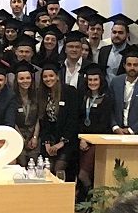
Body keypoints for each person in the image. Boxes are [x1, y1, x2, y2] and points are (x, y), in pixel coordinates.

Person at [77, 63, 113, 198]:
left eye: (95, 80)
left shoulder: (107, 99)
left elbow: (104, 124)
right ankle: (85, 201)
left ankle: (93, 199)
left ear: (101, 80)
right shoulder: (83, 97)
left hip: (98, 142)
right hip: (82, 141)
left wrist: (88, 139)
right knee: (81, 175)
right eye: (90, 80)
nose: (92, 83)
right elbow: (79, 119)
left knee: (84, 174)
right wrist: (82, 138)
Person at [37, 62, 79, 177]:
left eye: (51, 76)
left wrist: (61, 143)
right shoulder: (42, 94)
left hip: (67, 139)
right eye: (45, 77)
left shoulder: (69, 91)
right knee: (48, 168)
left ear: (57, 76)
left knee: (58, 168)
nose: (48, 79)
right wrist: (47, 143)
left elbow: (73, 119)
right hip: (50, 138)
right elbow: (43, 121)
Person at [12, 61, 41, 167]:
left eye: (28, 78)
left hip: (33, 136)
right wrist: (20, 137)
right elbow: (12, 120)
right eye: (21, 78)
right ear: (17, 80)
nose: (25, 81)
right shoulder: (11, 97)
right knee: (21, 164)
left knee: (34, 165)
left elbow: (38, 118)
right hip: (18, 136)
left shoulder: (37, 95)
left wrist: (35, 137)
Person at [111, 45, 138, 134]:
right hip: (117, 131)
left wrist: (131, 130)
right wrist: (115, 127)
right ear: (124, 65)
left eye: (135, 65)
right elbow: (109, 107)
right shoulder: (116, 82)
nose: (132, 68)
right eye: (129, 64)